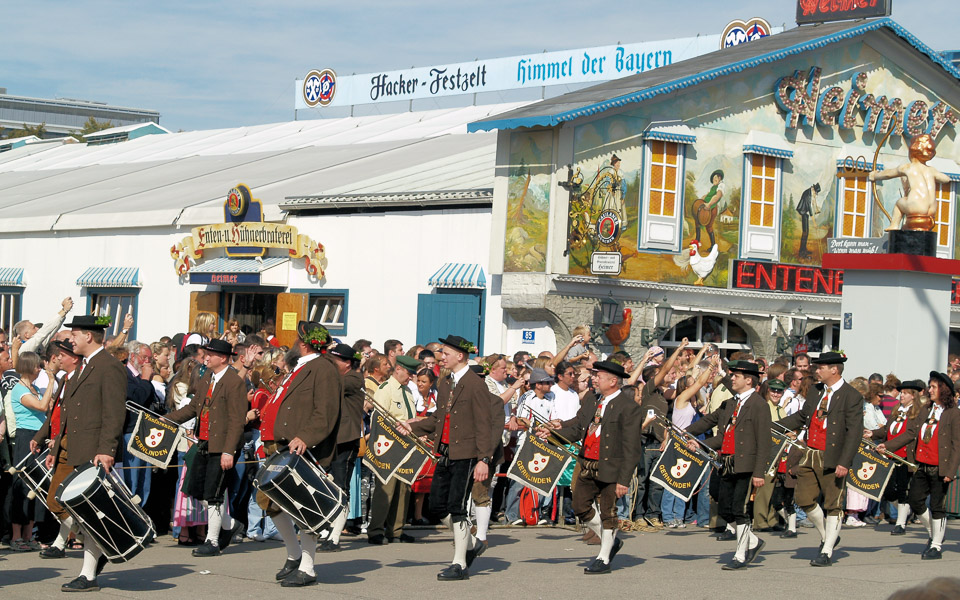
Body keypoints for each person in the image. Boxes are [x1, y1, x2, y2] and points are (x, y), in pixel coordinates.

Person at [30, 314, 126, 592]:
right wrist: (53, 441)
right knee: (56, 501)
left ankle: (89, 573)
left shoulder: (108, 366)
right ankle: (101, 545)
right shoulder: (83, 366)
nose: (70, 339)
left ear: (88, 336)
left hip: (92, 450)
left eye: (75, 334)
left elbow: (113, 412)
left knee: (87, 512)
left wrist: (107, 449)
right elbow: (67, 411)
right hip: (68, 447)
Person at [398, 335, 494, 581]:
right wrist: (413, 426)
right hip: (445, 452)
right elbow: (438, 419)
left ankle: (460, 563)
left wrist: (484, 459)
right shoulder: (445, 382)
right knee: (437, 505)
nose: (442, 357)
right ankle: (472, 542)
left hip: (467, 454)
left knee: (457, 508)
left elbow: (485, 424)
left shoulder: (475, 384)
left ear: (460, 356)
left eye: (446, 353)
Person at [541, 360, 642, 574]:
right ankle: (611, 541)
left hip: (611, 467)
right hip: (587, 463)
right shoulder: (592, 401)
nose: (594, 379)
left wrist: (624, 480)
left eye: (599, 376)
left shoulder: (628, 407)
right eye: (594, 375)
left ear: (613, 381)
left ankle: (603, 557)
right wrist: (552, 436)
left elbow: (632, 448)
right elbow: (578, 429)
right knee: (580, 507)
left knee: (608, 512)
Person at [266, 321, 342, 586]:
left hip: (307, 449)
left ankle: (308, 568)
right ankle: (294, 554)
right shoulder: (300, 367)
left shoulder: (324, 369)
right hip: (284, 447)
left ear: (303, 343)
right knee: (271, 502)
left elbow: (326, 412)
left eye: (297, 338)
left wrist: (306, 437)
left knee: (305, 509)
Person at [776, 351, 863, 567]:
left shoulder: (851, 396)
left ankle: (826, 550)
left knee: (833, 504)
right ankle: (828, 536)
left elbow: (854, 433)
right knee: (804, 499)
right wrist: (775, 425)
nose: (816, 370)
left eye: (821, 367)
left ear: (834, 369)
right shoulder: (816, 391)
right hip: (811, 453)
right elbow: (802, 416)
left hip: (833, 457)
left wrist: (844, 462)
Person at [164, 339, 247, 558]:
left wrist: (229, 451)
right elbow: (193, 408)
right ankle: (230, 524)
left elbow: (237, 420)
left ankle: (212, 540)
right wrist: (167, 420)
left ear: (223, 358)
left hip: (222, 446)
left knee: (215, 493)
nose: (206, 357)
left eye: (211, 354)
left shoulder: (233, 381)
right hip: (204, 443)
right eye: (206, 354)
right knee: (196, 489)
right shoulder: (207, 377)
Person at [687, 360, 772, 570]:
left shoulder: (759, 405)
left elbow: (764, 442)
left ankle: (740, 555)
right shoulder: (731, 403)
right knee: (724, 508)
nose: (732, 378)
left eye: (736, 376)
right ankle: (753, 541)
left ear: (749, 380)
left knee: (739, 509)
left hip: (746, 466)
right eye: (732, 375)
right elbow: (711, 425)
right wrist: (688, 435)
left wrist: (759, 472)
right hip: (727, 462)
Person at [878, 372, 960, 559]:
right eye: (929, 386)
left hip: (941, 467)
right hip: (921, 465)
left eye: (933, 387)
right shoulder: (926, 409)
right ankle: (934, 532)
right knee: (915, 500)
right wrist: (887, 445)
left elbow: (957, 445)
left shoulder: (954, 414)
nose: (929, 390)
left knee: (938, 506)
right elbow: (910, 433)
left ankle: (936, 545)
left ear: (943, 390)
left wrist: (950, 471)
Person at [368, 355, 421, 545]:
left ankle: (396, 530)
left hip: (406, 446)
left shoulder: (407, 391)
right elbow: (380, 420)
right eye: (408, 373)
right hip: (389, 446)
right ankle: (376, 530)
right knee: (386, 490)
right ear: (398, 369)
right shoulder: (386, 389)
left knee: (403, 489)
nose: (411, 377)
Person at [8, 351, 56, 552]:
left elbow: (50, 405)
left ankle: (30, 534)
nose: (40, 369)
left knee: (37, 485)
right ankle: (16, 536)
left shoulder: (34, 388)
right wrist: (52, 379)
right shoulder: (19, 390)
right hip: (26, 436)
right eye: (37, 366)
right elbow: (42, 405)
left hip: (40, 436)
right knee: (22, 484)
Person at [320, 342, 364, 552]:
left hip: (346, 440)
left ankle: (335, 536)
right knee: (328, 487)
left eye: (333, 360)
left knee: (340, 488)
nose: (329, 363)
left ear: (347, 363)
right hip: (331, 440)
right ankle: (328, 530)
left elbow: (333, 385)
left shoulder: (354, 378)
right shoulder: (339, 376)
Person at [869, 133, 952, 231]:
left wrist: (875, 175)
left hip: (916, 206)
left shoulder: (908, 167)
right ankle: (905, 227)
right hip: (931, 214)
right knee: (908, 228)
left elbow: (888, 174)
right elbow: (946, 179)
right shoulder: (931, 170)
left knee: (899, 204)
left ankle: (894, 225)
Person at [875, 379, 923, 535]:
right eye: (901, 392)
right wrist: (872, 433)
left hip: (905, 456)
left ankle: (901, 523)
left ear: (913, 396)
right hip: (890, 455)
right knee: (888, 490)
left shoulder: (917, 412)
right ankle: (906, 509)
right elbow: (887, 431)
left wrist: (888, 445)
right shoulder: (897, 409)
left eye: (905, 393)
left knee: (903, 489)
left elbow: (910, 434)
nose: (901, 395)